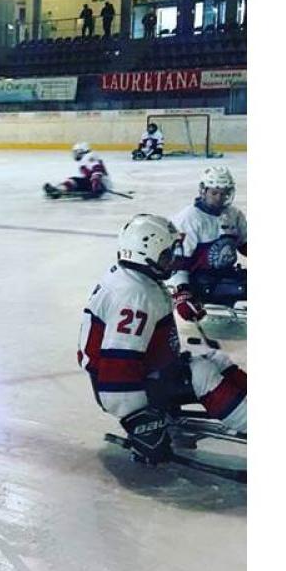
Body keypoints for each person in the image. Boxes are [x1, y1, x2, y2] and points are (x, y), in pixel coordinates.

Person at [78, 213, 247, 464]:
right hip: (127, 387)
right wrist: (138, 420)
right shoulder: (133, 295)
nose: (173, 261)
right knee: (201, 372)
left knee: (216, 358)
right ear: (145, 254)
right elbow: (118, 365)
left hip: (149, 370)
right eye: (166, 255)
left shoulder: (135, 279)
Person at [169, 167, 247, 321]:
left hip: (226, 275)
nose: (220, 198)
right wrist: (182, 294)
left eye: (224, 193)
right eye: (214, 193)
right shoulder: (189, 219)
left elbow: (245, 244)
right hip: (200, 282)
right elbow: (178, 265)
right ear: (203, 191)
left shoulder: (233, 214)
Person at [43, 143, 109, 199]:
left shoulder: (89, 157)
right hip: (95, 184)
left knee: (73, 180)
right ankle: (60, 189)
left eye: (76, 152)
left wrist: (96, 184)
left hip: (100, 184)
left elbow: (97, 170)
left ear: (81, 151)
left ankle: (59, 190)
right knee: (75, 181)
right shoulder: (88, 157)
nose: (75, 154)